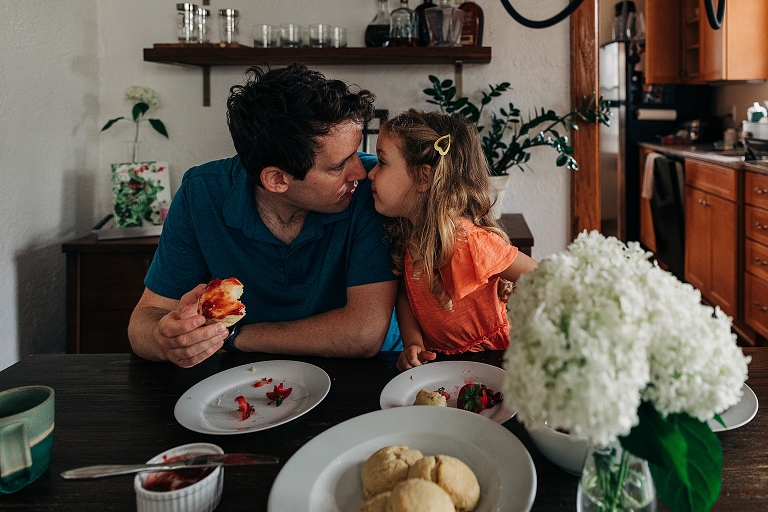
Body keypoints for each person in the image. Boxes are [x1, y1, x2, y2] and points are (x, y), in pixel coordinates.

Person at [128, 64, 399, 368]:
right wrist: (166, 339)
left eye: (355, 152)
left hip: (369, 376)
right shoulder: (200, 194)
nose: (361, 172)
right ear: (277, 180)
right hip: (244, 386)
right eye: (338, 166)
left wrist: (233, 337)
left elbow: (363, 335)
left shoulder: (371, 191)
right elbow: (144, 320)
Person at [367, 109, 538, 372]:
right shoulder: (406, 234)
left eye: (382, 162)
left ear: (423, 177)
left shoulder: (467, 239)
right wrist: (413, 343)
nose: (370, 173)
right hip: (442, 364)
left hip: (497, 360)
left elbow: (541, 277)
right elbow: (406, 294)